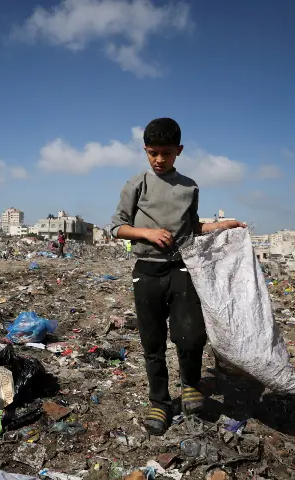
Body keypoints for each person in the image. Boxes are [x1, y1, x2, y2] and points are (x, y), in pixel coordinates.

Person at [110, 118, 245, 435]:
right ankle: (159, 401)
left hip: (183, 269)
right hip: (146, 271)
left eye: (166, 153)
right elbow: (117, 227)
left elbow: (193, 227)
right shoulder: (136, 185)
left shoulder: (189, 187)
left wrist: (222, 227)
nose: (159, 160)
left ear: (179, 151)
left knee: (191, 334)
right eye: (153, 153)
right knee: (152, 341)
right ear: (145, 151)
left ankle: (191, 384)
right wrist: (146, 233)